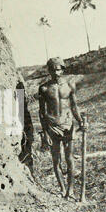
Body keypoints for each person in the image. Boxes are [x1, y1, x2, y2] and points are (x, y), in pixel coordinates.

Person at [38, 57, 86, 199]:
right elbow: (41, 113)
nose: (55, 72)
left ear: (63, 69)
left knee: (69, 158)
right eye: (52, 70)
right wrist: (45, 132)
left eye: (58, 69)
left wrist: (81, 121)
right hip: (52, 126)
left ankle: (70, 190)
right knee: (56, 159)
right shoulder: (44, 88)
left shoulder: (69, 86)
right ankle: (62, 188)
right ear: (49, 71)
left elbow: (74, 107)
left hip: (67, 125)